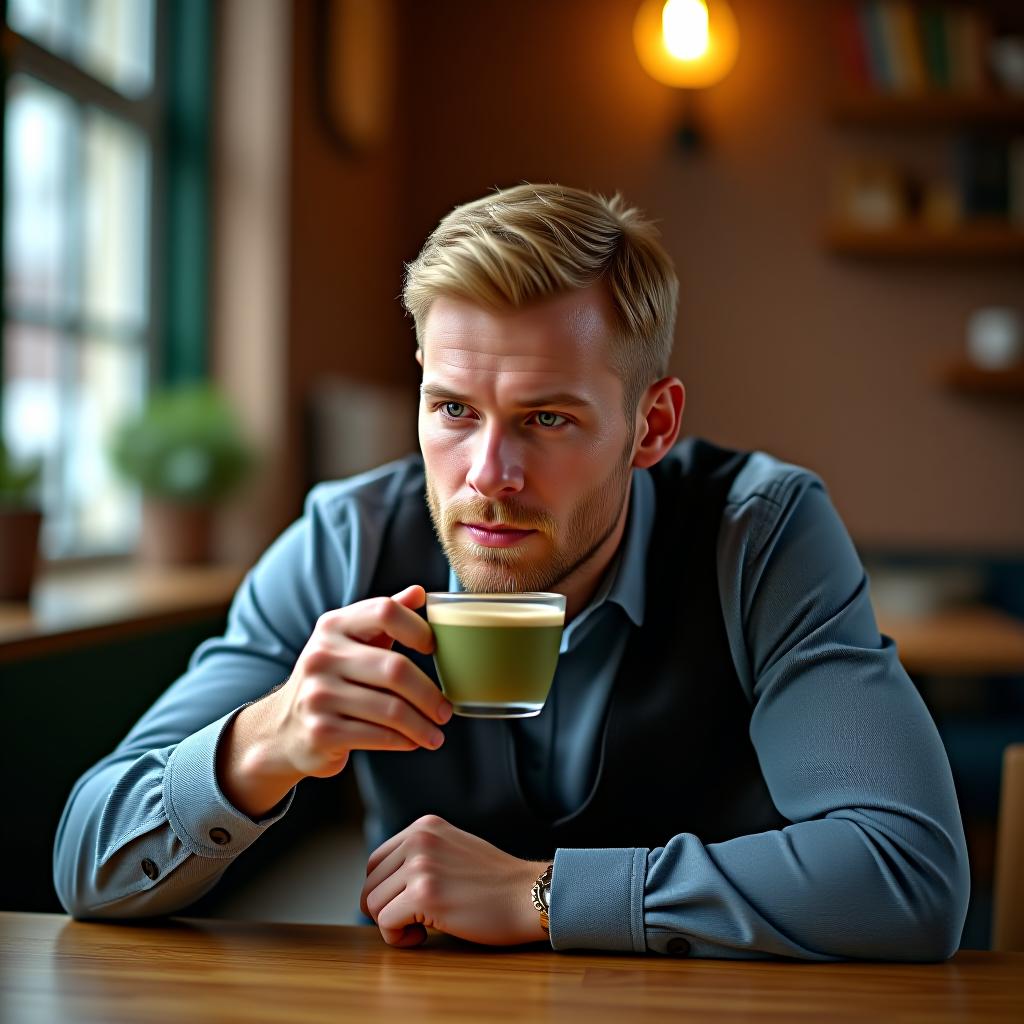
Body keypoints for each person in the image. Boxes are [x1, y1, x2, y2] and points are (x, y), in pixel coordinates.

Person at [54, 184, 969, 960]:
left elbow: (907, 873)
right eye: (453, 408)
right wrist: (267, 738)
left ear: (651, 426)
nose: (488, 476)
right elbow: (86, 864)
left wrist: (544, 896)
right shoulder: (346, 538)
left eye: (547, 419)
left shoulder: (758, 536)